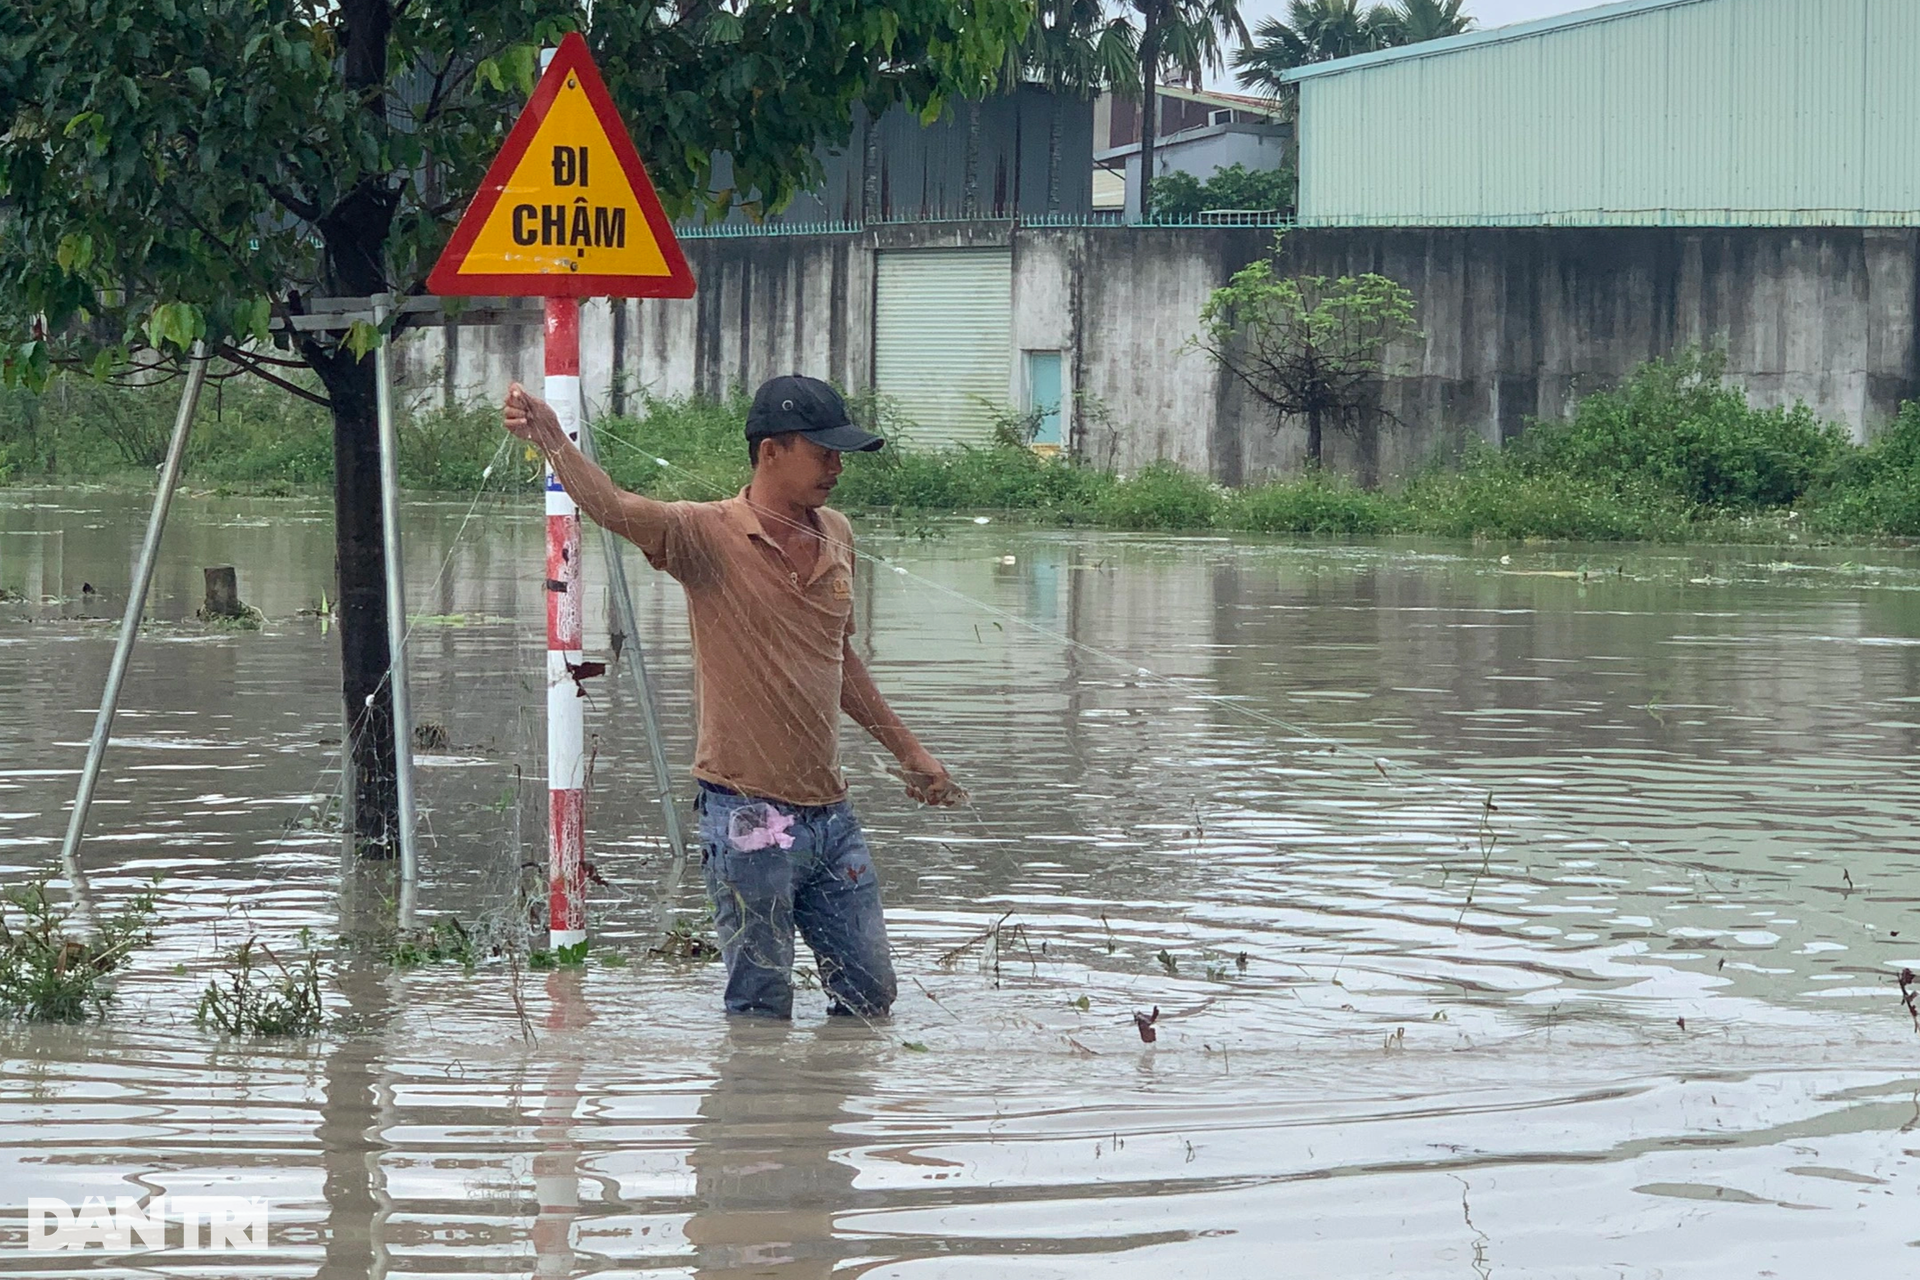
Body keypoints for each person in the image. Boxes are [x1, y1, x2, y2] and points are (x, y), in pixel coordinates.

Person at [502, 373, 962, 1020]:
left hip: (832, 816)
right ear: (771, 451)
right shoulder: (704, 534)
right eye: (823, 452)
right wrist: (552, 438)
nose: (837, 468)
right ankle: (754, 1090)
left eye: (841, 454)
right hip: (747, 814)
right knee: (760, 1008)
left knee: (869, 997)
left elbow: (840, 662)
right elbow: (612, 506)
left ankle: (827, 1089)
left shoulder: (838, 532)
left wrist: (910, 753)